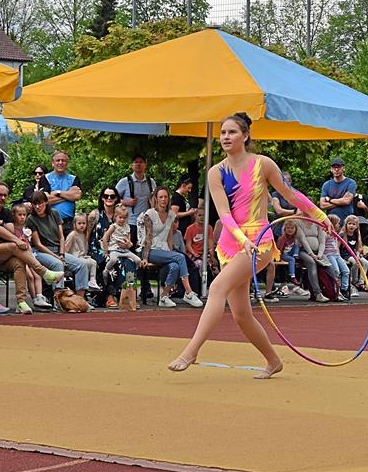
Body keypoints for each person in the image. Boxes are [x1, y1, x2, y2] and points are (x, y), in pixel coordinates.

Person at [168, 112, 333, 379]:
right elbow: (224, 213)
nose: (225, 137)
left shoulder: (263, 164)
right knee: (241, 314)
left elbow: (289, 194)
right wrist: (241, 240)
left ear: (245, 136)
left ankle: (191, 351)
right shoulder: (216, 172)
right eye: (222, 133)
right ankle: (273, 361)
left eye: (232, 132)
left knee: (217, 287)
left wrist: (321, 216)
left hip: (260, 242)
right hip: (231, 243)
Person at [140, 187, 203, 308]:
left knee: (174, 266)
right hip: (151, 250)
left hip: (164, 251)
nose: (163, 199)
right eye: (161, 197)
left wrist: (170, 252)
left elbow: (169, 237)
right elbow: (148, 237)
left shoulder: (171, 215)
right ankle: (189, 292)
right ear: (156, 199)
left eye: (165, 197)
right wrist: (145, 258)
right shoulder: (150, 214)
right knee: (179, 257)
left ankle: (163, 297)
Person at [46, 151, 83, 236]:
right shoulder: (45, 178)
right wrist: (68, 195)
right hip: (50, 222)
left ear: (67, 163)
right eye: (58, 160)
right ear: (52, 163)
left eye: (63, 160)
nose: (60, 163)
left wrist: (56, 192)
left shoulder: (74, 179)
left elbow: (76, 196)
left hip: (69, 223)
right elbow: (45, 200)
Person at [64, 213, 100, 291]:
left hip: (82, 256)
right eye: (79, 223)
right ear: (74, 224)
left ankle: (92, 280)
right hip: (74, 257)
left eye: (84, 223)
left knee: (93, 262)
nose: (82, 225)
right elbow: (66, 249)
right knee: (85, 264)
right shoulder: (72, 235)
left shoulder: (84, 234)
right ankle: (82, 284)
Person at [115, 153, 156, 223]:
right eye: (136, 162)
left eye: (141, 162)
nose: (138, 164)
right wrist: (125, 202)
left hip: (147, 222)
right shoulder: (124, 181)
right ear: (132, 165)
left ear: (145, 165)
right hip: (130, 222)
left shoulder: (151, 182)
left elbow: (156, 199)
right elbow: (112, 199)